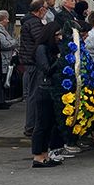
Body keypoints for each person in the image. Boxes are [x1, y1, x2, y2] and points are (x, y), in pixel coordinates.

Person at [29, 22, 65, 168]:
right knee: (42, 124)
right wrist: (60, 59)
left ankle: (44, 154)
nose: (60, 38)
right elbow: (47, 69)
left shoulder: (51, 49)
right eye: (57, 35)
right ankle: (38, 156)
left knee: (49, 124)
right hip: (44, 90)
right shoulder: (41, 49)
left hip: (52, 89)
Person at [18, 0, 47, 137]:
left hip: (29, 60)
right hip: (33, 62)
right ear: (40, 9)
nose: (46, 11)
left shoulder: (29, 21)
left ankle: (32, 125)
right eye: (45, 8)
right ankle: (31, 126)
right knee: (34, 95)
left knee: (33, 94)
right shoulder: (34, 22)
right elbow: (40, 39)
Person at [0, 10, 16, 110]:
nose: (8, 21)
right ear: (2, 19)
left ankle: (1, 99)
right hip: (3, 58)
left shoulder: (2, 29)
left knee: (3, 79)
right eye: (6, 19)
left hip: (6, 58)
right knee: (0, 79)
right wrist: (14, 42)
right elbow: (4, 44)